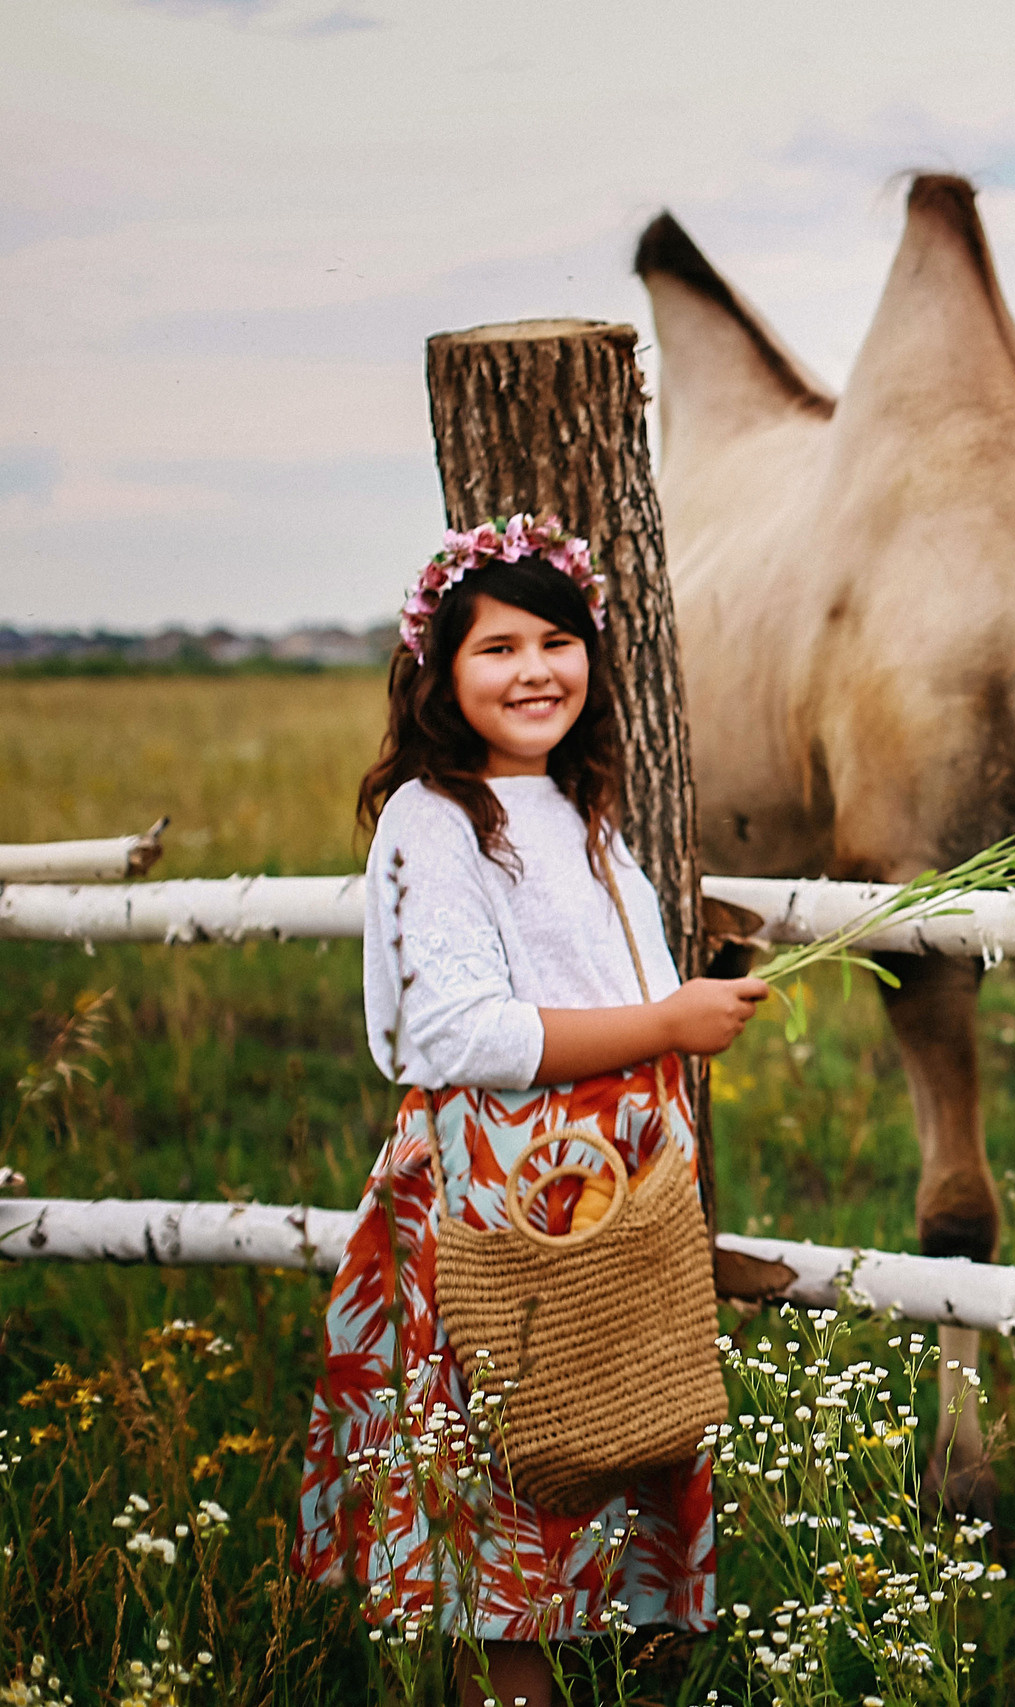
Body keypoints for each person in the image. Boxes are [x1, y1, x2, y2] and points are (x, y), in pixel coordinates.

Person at [293, 515, 768, 1706]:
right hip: (505, 1193)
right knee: (516, 1506)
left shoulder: (580, 810)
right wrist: (666, 1025)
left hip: (613, 1192)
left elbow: (603, 982)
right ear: (440, 673)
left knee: (617, 1441)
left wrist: (671, 1019)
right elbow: (455, 1035)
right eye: (496, 647)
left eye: (558, 641)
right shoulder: (434, 818)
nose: (534, 670)